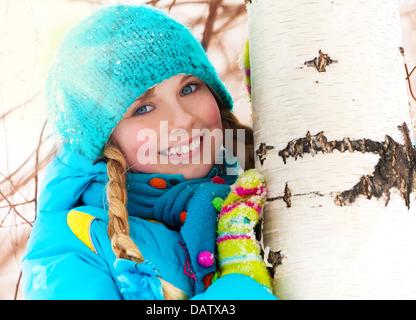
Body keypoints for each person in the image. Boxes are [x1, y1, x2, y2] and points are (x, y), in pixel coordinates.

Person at [21, 4, 277, 300]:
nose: (183, 119)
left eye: (190, 88)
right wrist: (240, 291)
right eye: (144, 108)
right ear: (106, 144)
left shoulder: (265, 188)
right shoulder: (74, 245)